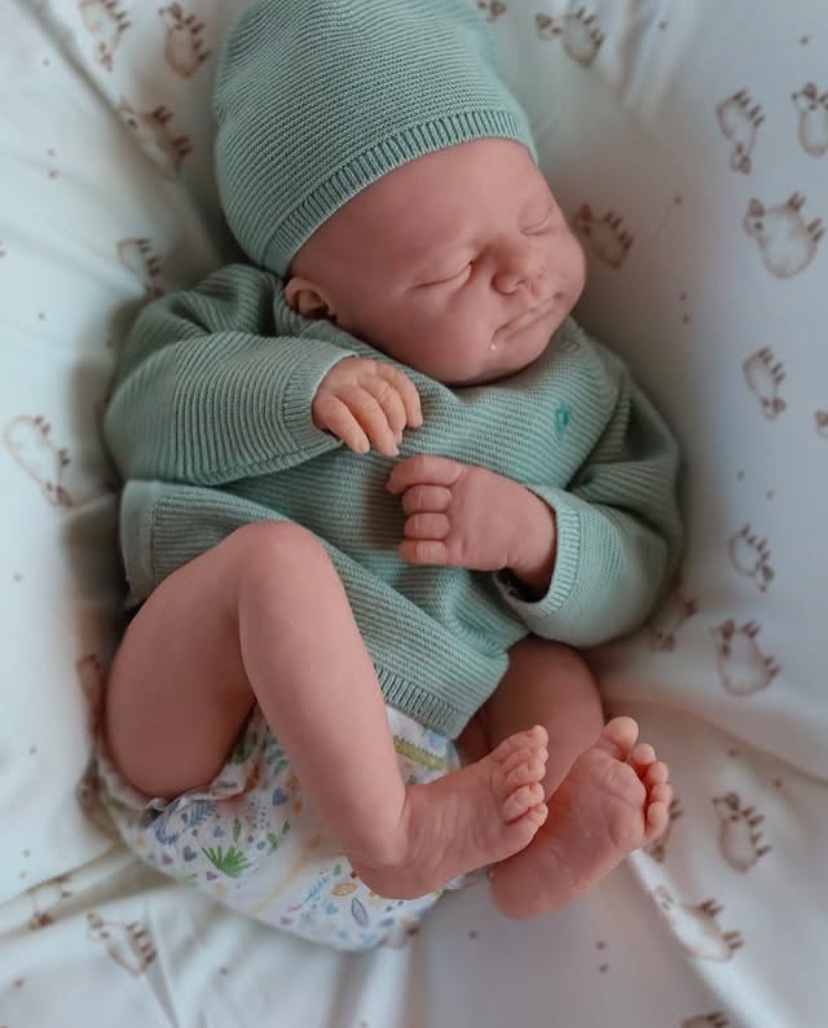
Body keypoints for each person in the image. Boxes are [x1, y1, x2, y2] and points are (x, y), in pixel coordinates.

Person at [101, 0, 682, 921]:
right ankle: (394, 839)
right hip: (205, 745)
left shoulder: (586, 388)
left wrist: (539, 538)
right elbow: (142, 415)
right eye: (454, 270)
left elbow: (642, 558)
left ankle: (540, 850)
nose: (522, 271)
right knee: (272, 568)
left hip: (442, 755)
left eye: (537, 220)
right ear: (319, 303)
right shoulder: (258, 328)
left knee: (550, 675)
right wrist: (296, 388)